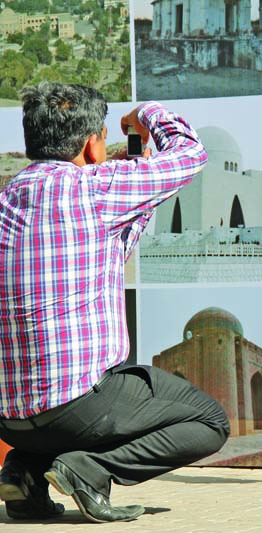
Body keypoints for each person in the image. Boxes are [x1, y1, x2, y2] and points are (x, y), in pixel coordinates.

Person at [0, 82, 230, 523]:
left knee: (67, 402)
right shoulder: (98, 190)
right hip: (77, 408)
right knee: (209, 421)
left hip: (8, 415)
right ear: (91, 144)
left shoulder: (9, 199)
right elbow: (190, 153)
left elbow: (113, 244)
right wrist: (146, 113)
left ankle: (24, 472)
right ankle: (90, 470)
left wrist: (133, 182)